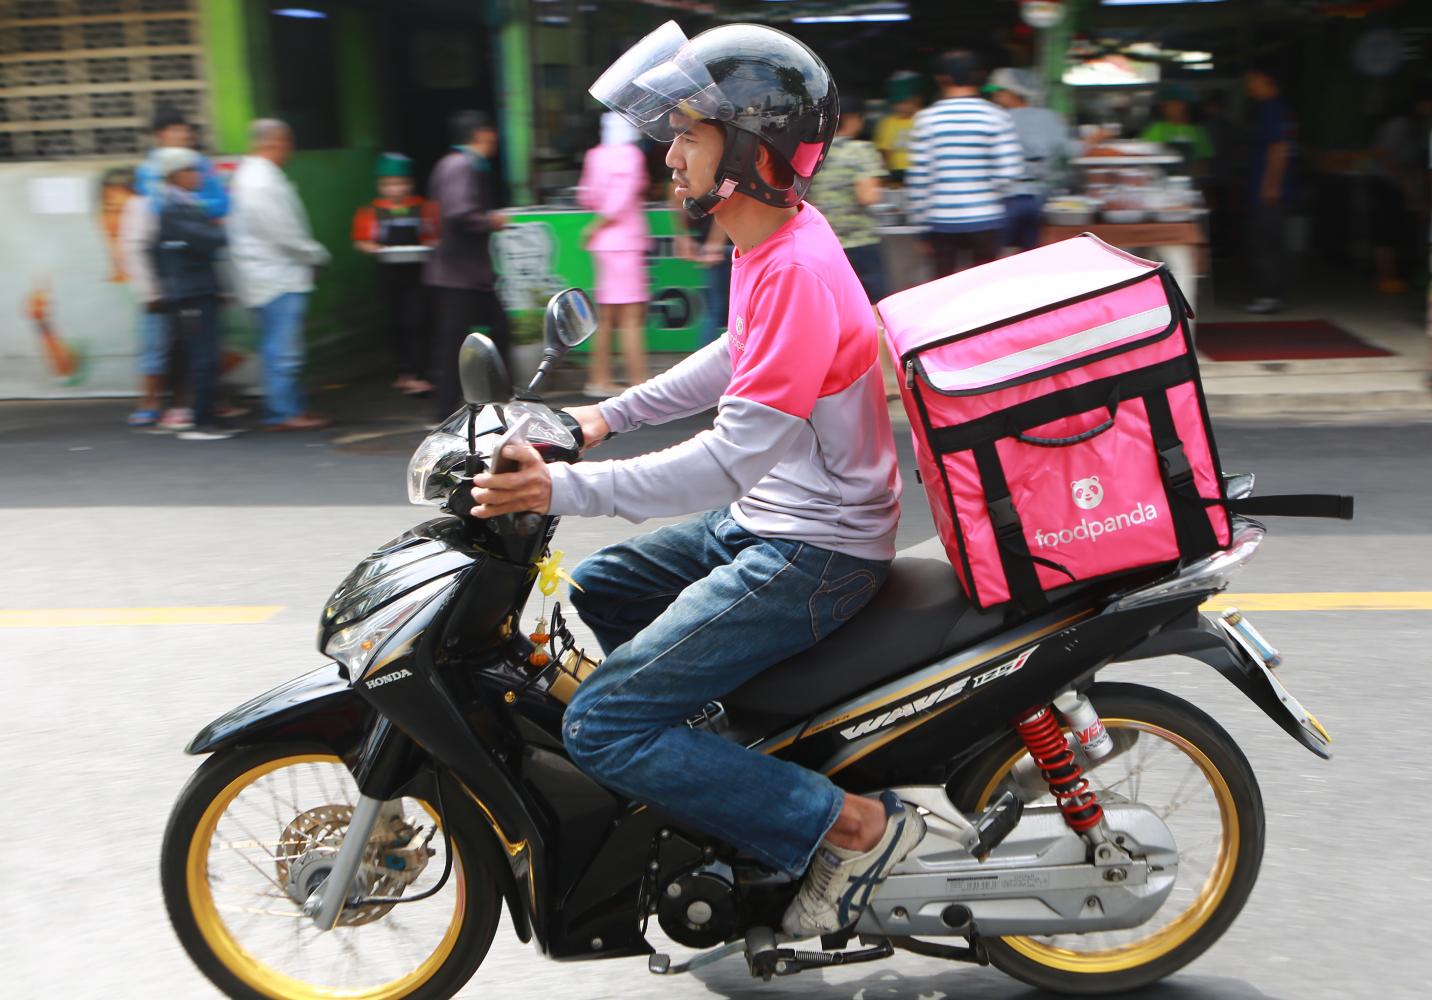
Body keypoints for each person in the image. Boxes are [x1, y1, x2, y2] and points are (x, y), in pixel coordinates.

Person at [468, 20, 923, 940]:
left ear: (748, 147)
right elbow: (731, 358)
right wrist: (601, 417)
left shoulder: (792, 267)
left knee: (602, 727)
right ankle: (726, 771)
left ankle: (851, 826)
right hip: (768, 519)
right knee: (589, 595)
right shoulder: (774, 240)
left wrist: (560, 490)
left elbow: (724, 457)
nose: (667, 152)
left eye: (686, 132)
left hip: (813, 551)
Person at [127, 105, 229, 429]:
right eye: (176, 130)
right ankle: (159, 402)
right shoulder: (149, 173)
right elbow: (153, 216)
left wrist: (197, 210)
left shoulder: (199, 166)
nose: (184, 135)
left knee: (197, 344)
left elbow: (223, 203)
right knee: (165, 342)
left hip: (194, 267)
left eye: (186, 130)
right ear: (160, 135)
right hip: (169, 271)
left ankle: (192, 403)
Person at [228, 118, 332, 430]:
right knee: (283, 350)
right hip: (276, 277)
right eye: (286, 142)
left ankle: (289, 407)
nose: (290, 149)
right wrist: (315, 255)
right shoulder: (259, 181)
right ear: (273, 143)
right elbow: (283, 233)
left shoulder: (256, 176)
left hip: (270, 274)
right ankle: (284, 411)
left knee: (278, 346)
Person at [425, 110, 511, 421]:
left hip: (466, 273)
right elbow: (459, 212)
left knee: (489, 333)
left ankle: (489, 401)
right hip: (459, 274)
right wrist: (490, 220)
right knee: (461, 340)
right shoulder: (460, 166)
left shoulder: (456, 164)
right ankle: (450, 408)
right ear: (481, 135)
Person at [907, 50, 1023, 275]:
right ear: (979, 76)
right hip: (987, 220)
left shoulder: (927, 119)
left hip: (940, 222)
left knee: (944, 287)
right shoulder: (995, 116)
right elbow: (1010, 173)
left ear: (942, 79)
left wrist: (921, 228)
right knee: (983, 287)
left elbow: (920, 179)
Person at [150, 147, 235, 441]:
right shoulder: (174, 210)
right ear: (176, 175)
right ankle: (202, 421)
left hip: (197, 291)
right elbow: (208, 239)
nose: (198, 175)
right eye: (192, 170)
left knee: (204, 355)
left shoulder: (186, 205)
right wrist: (219, 230)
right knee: (202, 357)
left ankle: (206, 416)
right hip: (191, 295)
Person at [578, 112, 652, 396]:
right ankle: (637, 382)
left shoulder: (595, 155)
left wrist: (596, 225)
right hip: (625, 243)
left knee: (608, 317)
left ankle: (598, 380)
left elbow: (587, 196)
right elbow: (621, 199)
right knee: (632, 317)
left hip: (604, 244)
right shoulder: (630, 155)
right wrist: (601, 222)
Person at [352, 152, 434, 396]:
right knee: (396, 323)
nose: (395, 188)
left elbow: (433, 236)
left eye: (400, 183)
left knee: (418, 322)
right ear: (381, 185)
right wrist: (373, 248)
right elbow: (361, 241)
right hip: (389, 273)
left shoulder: (424, 209)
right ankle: (403, 373)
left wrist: (431, 245)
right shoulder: (370, 212)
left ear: (409, 184)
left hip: (418, 273)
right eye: (389, 183)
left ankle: (419, 373)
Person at [988, 67, 1082, 252]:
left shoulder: (994, 119)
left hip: (1003, 201)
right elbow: (1072, 150)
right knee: (1031, 258)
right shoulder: (1050, 118)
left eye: (999, 92)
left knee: (998, 260)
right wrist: (1094, 140)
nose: (995, 97)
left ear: (1013, 93)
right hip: (1040, 200)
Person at [806, 95, 889, 302]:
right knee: (873, 306)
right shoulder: (861, 151)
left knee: (838, 304)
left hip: (826, 245)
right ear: (852, 119)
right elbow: (868, 197)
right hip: (861, 243)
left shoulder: (816, 152)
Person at [1243, 67, 1295, 314]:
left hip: (1268, 190)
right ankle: (1271, 292)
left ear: (1269, 80)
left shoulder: (1273, 108)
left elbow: (1279, 148)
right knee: (1266, 241)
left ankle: (1270, 294)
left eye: (1254, 80)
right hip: (1263, 187)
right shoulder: (1266, 108)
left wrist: (1271, 185)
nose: (1249, 86)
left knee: (1266, 242)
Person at [1139, 82, 1213, 176]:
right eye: (1168, 105)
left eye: (1177, 104)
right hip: (1160, 180)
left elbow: (1203, 161)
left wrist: (1194, 178)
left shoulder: (1198, 131)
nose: (1173, 108)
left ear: (1187, 106)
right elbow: (1143, 156)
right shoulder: (1156, 128)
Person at [874, 70, 921, 184]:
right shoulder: (887, 123)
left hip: (920, 177)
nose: (900, 107)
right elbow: (883, 156)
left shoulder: (925, 119)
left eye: (905, 102)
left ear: (916, 99)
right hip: (895, 181)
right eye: (896, 103)